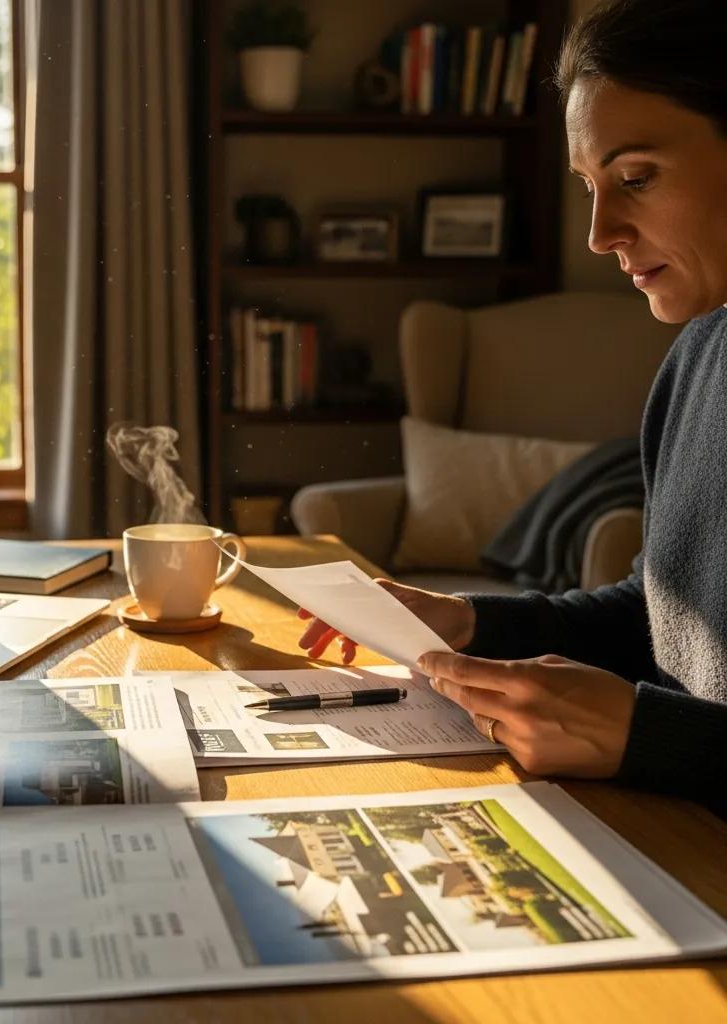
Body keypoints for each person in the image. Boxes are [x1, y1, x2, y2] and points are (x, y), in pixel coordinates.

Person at [297, 0, 727, 818]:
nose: (602, 232)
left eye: (636, 178)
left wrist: (648, 735)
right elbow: (663, 615)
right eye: (590, 187)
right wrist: (463, 623)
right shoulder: (700, 356)